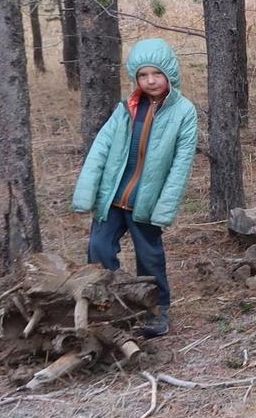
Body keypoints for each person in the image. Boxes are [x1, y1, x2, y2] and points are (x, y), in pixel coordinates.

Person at [72, 39, 199, 338]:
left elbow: (181, 165)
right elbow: (100, 149)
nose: (150, 80)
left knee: (149, 256)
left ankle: (157, 308)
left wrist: (164, 208)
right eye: (143, 75)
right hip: (113, 196)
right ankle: (110, 303)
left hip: (147, 200)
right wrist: (86, 192)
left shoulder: (183, 112)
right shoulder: (127, 107)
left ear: (170, 73)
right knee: (99, 248)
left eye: (156, 73)